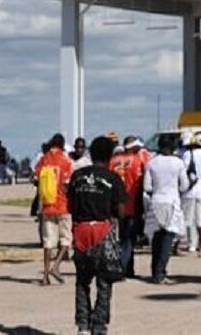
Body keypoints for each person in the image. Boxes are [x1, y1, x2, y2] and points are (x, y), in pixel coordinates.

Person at [69, 136, 126, 335]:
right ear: (110, 156)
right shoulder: (113, 178)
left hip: (80, 232)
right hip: (102, 232)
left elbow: (70, 206)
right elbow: (121, 211)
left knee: (82, 281)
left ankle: (82, 326)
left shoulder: (77, 177)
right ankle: (99, 326)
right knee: (104, 282)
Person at [144, 134, 190, 284]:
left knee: (156, 239)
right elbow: (184, 185)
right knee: (167, 240)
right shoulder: (178, 163)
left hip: (156, 201)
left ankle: (154, 271)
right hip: (171, 201)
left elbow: (147, 187)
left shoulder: (152, 162)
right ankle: (160, 273)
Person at [35, 133, 74, 285]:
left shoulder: (43, 159)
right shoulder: (66, 161)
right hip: (63, 205)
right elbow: (67, 184)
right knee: (66, 239)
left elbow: (36, 178)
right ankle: (56, 266)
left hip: (47, 205)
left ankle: (45, 274)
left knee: (48, 241)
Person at [109, 137, 146, 278]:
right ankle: (122, 268)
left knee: (122, 238)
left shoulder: (113, 161)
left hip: (116, 205)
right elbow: (141, 184)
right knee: (128, 239)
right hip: (131, 203)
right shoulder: (138, 161)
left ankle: (129, 269)